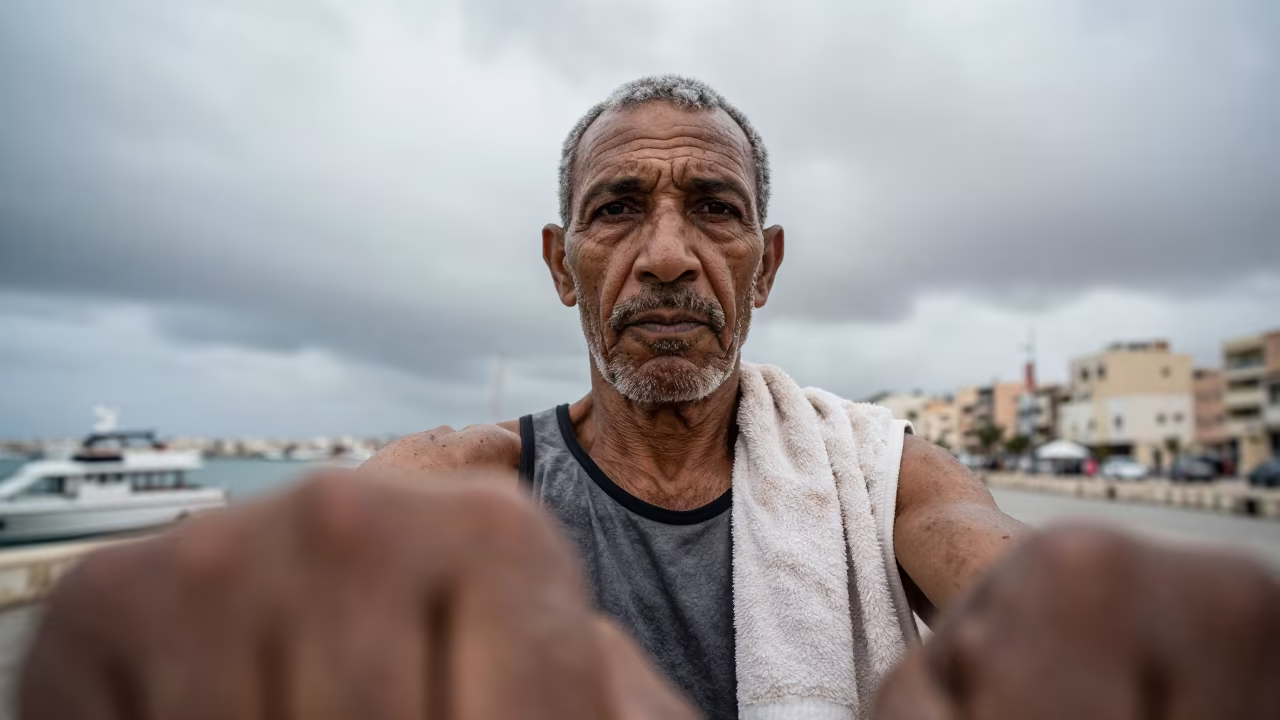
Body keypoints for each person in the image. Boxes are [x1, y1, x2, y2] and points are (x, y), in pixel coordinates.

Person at [21, 76, 1280, 719]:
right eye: (618, 209)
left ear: (764, 265)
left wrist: (1109, 637)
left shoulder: (878, 472)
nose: (667, 254)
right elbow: (302, 560)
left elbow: (1004, 575)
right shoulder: (469, 480)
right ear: (562, 265)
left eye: (713, 210)